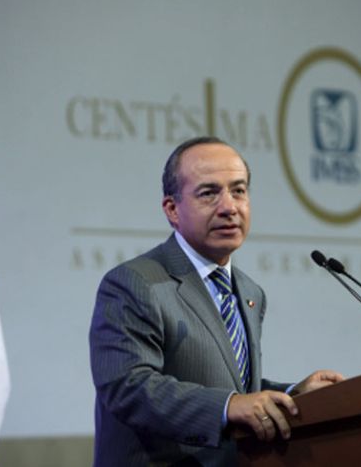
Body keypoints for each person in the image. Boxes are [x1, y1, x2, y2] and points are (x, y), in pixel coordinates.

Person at [89, 136, 345, 466]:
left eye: (238, 190)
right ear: (172, 209)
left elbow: (227, 384)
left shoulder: (250, 291)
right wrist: (228, 405)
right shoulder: (136, 283)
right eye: (209, 193)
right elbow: (129, 387)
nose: (229, 207)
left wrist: (293, 393)